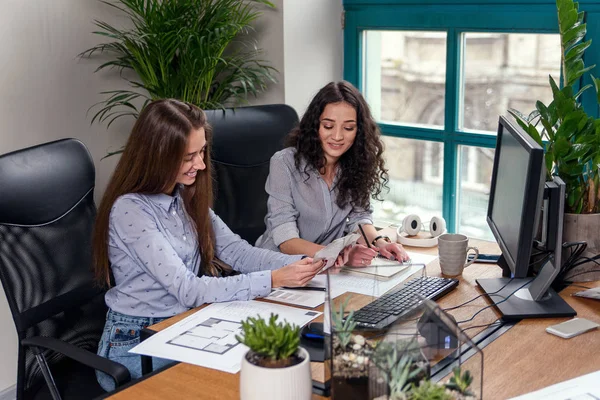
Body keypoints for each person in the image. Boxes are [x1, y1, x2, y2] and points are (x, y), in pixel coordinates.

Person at [92, 99, 323, 391]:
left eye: (201, 152)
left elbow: (239, 252)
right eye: (188, 157)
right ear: (158, 155)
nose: (200, 165)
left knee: (272, 363)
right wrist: (273, 279)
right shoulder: (131, 210)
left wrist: (307, 262)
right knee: (233, 382)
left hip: (186, 325)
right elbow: (189, 289)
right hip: (137, 341)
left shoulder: (183, 197)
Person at [255, 81, 408, 266]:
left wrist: (380, 243)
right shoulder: (284, 163)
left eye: (348, 128)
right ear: (315, 126)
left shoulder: (356, 164)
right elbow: (286, 240)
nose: (337, 136)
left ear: (359, 130)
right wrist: (340, 254)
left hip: (327, 270)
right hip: (279, 268)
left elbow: (359, 217)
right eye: (328, 126)